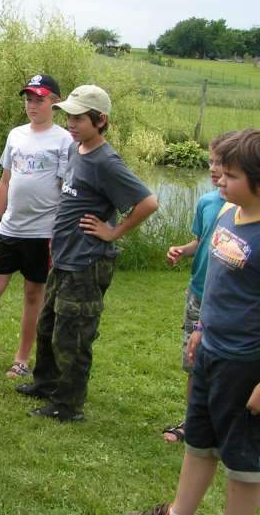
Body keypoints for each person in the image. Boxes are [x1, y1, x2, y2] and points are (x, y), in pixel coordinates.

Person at [131, 129, 260, 515]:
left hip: (244, 364)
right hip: (210, 353)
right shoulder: (226, 212)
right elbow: (217, 285)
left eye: (232, 176)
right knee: (200, 443)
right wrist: (201, 329)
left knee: (242, 463)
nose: (221, 179)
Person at [16, 84, 158, 422]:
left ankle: (68, 405)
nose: (71, 124)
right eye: (68, 116)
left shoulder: (106, 161)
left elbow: (148, 202)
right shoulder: (78, 151)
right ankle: (46, 383)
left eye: (79, 118)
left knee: (73, 335)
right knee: (48, 326)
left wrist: (113, 231)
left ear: (101, 120)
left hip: (87, 262)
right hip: (64, 257)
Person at [0, 74, 72, 378]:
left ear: (55, 102)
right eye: (28, 99)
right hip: (10, 229)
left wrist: (60, 234)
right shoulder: (16, 135)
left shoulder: (64, 140)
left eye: (39, 99)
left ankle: (22, 359)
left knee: (33, 293)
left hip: (43, 233)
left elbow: (66, 188)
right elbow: (5, 181)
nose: (32, 105)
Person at [162, 131, 236, 443]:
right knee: (193, 360)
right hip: (198, 293)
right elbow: (200, 241)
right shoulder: (206, 203)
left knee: (225, 365)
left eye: (222, 164)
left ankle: (226, 424)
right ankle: (193, 420)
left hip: (228, 302)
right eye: (211, 162)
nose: (213, 169)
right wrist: (183, 249)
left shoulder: (241, 209)